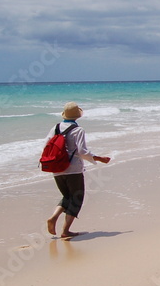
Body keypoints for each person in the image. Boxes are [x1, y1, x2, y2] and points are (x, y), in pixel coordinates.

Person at [46, 102, 111, 239]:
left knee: (67, 197)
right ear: (77, 115)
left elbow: (47, 146)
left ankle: (54, 216)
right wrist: (98, 158)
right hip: (73, 169)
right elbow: (82, 151)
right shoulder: (78, 130)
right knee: (76, 198)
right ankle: (66, 231)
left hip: (57, 169)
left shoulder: (55, 128)